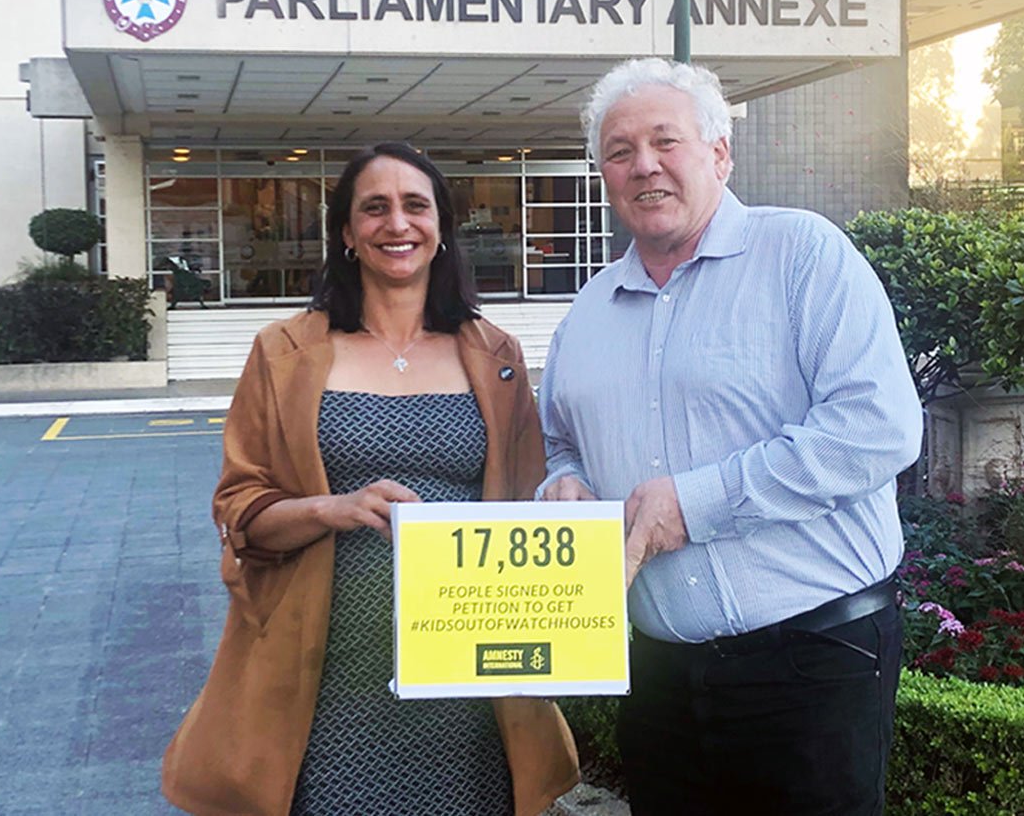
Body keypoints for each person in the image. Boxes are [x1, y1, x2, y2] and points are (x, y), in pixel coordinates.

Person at [537, 59, 922, 815]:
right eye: (619, 151)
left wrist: (697, 503)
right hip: (660, 679)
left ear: (719, 153)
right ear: (603, 174)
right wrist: (564, 479)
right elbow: (560, 441)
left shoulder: (804, 256)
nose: (643, 164)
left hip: (814, 662)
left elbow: (877, 427)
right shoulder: (585, 314)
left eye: (665, 141)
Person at [162, 142, 579, 816]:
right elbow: (238, 509)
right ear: (348, 233)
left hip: (467, 682)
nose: (397, 223)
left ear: (442, 227)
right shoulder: (285, 352)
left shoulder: (495, 354)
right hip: (325, 675)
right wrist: (333, 508)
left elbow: (527, 506)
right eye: (374, 208)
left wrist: (566, 498)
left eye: (416, 205)